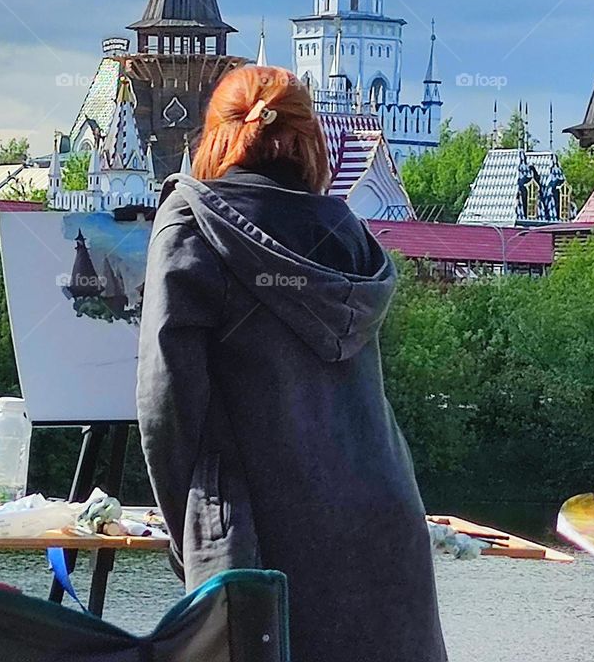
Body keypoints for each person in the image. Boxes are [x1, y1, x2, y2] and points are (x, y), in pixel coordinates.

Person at [136, 64, 448, 662]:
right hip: (384, 523)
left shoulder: (192, 227)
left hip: (258, 534)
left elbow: (165, 407)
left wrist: (193, 531)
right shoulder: (351, 233)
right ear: (312, 140)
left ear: (216, 135)